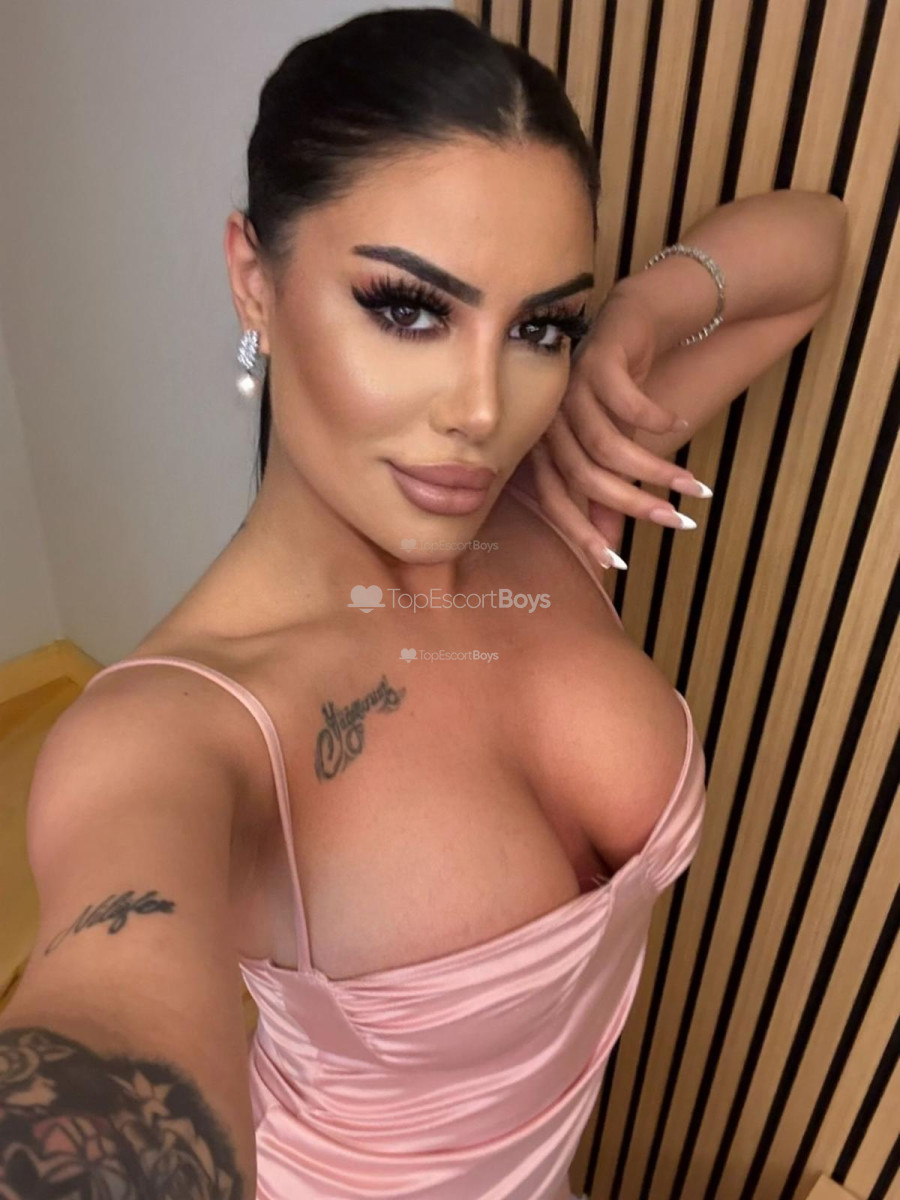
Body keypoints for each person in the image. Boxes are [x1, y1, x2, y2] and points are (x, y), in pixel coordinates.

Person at [0, 7, 847, 1199]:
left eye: (539, 324)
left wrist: (634, 323)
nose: (484, 409)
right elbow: (111, 1025)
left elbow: (817, 247)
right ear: (253, 280)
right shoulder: (181, 731)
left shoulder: (548, 497)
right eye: (409, 309)